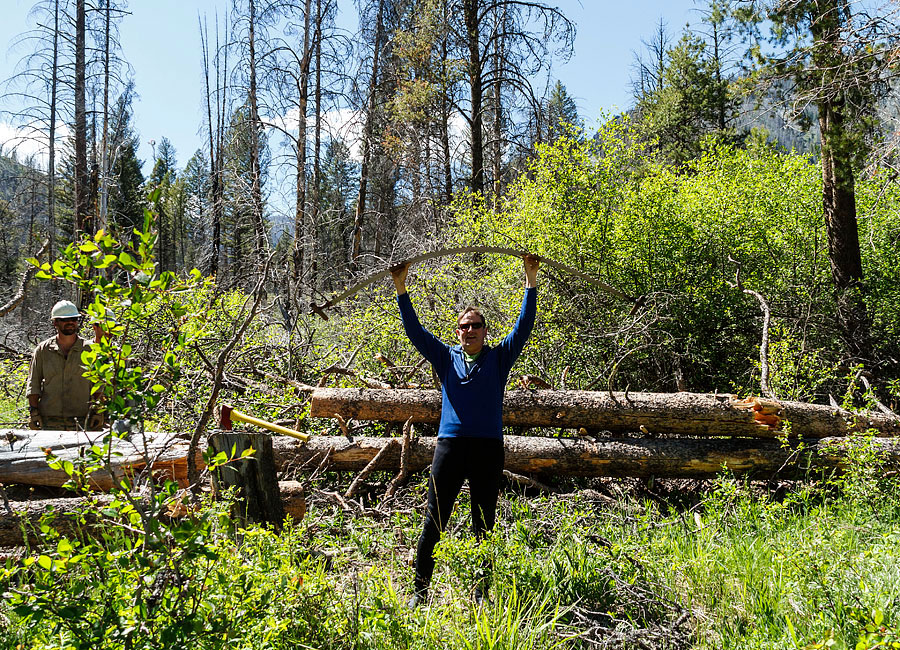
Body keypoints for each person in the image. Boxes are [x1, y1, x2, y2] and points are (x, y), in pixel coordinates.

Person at [391, 254, 540, 607]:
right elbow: (416, 332)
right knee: (435, 518)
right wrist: (401, 288)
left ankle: (481, 594)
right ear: (457, 332)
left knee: (483, 523)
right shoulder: (445, 357)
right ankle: (420, 592)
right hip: (451, 447)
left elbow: (524, 327)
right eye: (463, 326)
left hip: (488, 449)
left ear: (485, 330)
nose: (469, 330)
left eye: (476, 325)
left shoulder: (500, 357)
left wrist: (530, 281)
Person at [27, 300, 100, 431]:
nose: (70, 322)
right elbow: (34, 384)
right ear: (55, 322)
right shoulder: (43, 350)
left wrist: (99, 412)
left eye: (73, 319)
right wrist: (33, 413)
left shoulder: (90, 350)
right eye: (64, 320)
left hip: (83, 421)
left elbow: (99, 384)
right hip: (49, 422)